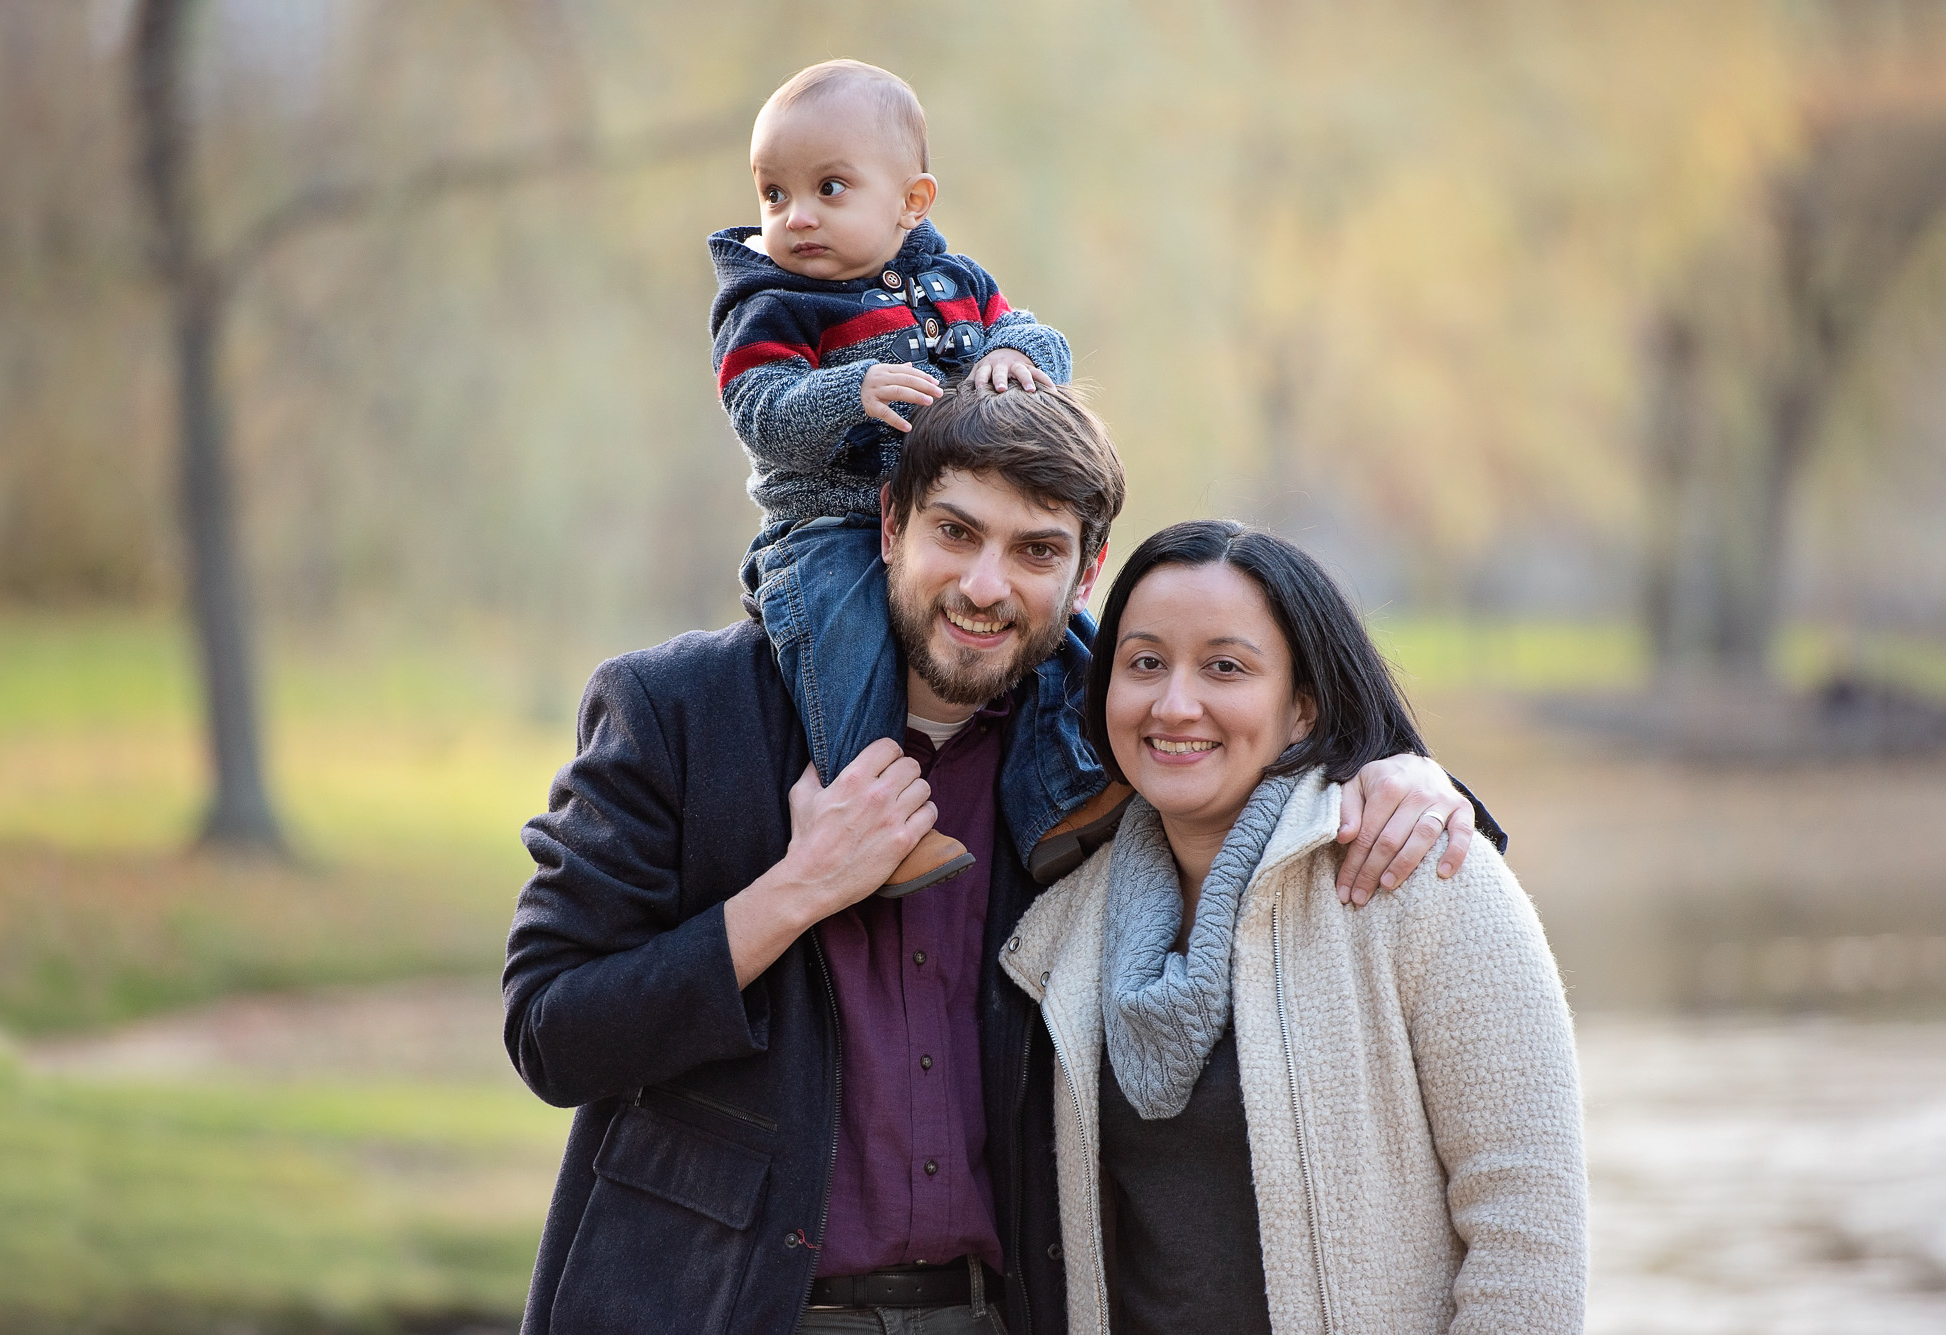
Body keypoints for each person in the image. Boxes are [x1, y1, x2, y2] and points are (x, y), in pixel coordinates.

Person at [504, 382, 1497, 1335]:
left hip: (996, 1313)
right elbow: (552, 1032)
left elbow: (1287, 772)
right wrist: (799, 889)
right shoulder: (685, 711)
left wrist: (1400, 775)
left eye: (1034, 550)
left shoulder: (1103, 749)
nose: (985, 586)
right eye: (955, 533)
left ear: (1085, 571)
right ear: (891, 524)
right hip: (720, 1307)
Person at [1000, 520, 1588, 1335]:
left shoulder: (1422, 881)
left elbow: (1530, 1242)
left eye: (1225, 667)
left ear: (1302, 703)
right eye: (1144, 663)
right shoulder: (1061, 930)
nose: (1175, 702)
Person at [709, 58, 1117, 896]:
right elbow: (759, 408)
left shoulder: (955, 283)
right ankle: (871, 819)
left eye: (829, 188)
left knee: (1067, 641)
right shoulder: (774, 304)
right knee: (846, 639)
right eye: (774, 194)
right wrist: (846, 391)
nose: (796, 218)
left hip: (940, 513)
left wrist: (1007, 351)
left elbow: (1047, 346)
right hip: (823, 528)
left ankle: (1065, 797)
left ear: (911, 202)